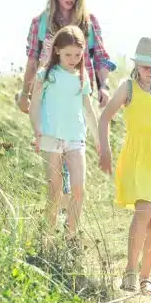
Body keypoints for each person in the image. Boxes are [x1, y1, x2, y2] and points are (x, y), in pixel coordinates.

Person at [15, 0, 116, 199]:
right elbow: (32, 60)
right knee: (54, 160)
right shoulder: (40, 24)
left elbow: (99, 56)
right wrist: (25, 93)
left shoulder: (89, 22)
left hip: (79, 91)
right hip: (50, 94)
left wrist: (103, 86)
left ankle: (67, 207)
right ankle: (59, 205)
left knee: (73, 147)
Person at [98, 37, 151, 294]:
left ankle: (146, 278)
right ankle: (130, 271)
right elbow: (104, 118)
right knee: (143, 211)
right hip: (137, 158)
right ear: (137, 66)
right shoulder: (127, 88)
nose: (149, 71)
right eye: (144, 66)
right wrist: (105, 149)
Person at [29, 25, 99, 235]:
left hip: (76, 138)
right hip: (51, 137)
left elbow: (88, 109)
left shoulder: (82, 76)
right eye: (68, 54)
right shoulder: (46, 75)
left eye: (78, 54)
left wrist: (98, 139)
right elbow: (34, 106)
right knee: (55, 191)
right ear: (57, 50)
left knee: (78, 189)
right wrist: (38, 131)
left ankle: (71, 236)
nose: (73, 59)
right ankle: (48, 237)